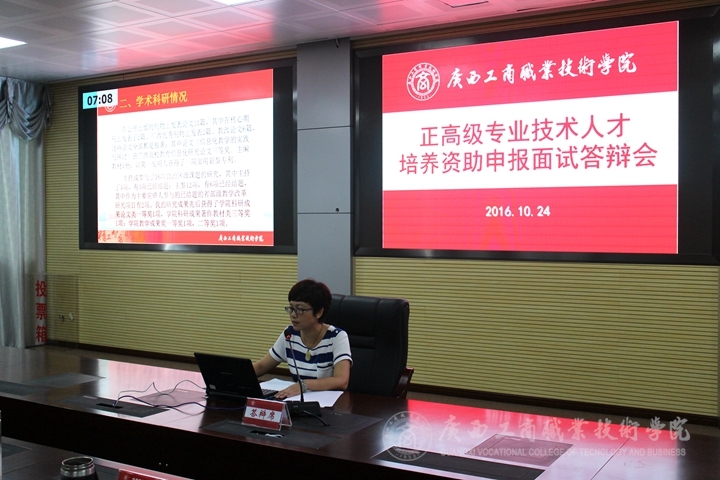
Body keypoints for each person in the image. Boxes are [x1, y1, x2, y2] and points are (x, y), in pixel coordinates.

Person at [253, 279, 352, 400]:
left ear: (319, 312)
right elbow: (261, 366)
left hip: (330, 405)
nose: (293, 315)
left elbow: (342, 381)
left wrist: (304, 385)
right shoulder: (290, 334)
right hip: (296, 402)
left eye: (300, 309)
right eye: (291, 308)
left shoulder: (337, 337)